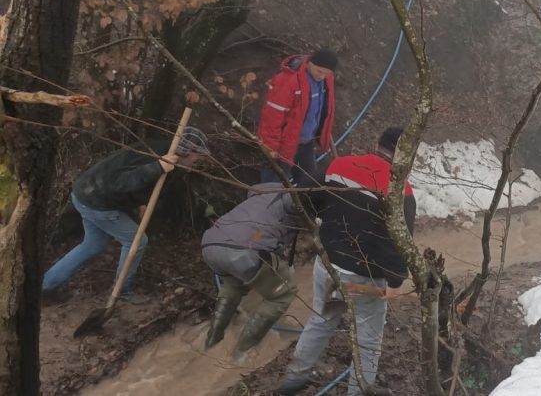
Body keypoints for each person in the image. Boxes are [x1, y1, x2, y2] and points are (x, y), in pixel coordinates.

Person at [276, 127, 416, 396]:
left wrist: (325, 219)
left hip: (328, 264)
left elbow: (304, 196)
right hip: (366, 277)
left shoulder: (339, 165)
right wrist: (396, 281)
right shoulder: (401, 190)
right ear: (406, 156)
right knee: (368, 342)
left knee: (321, 319)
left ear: (377, 143)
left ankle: (293, 381)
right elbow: (400, 243)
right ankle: (358, 392)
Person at [41, 128, 210, 304]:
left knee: (92, 244)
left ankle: (45, 286)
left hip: (85, 193)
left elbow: (140, 182)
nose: (198, 162)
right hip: (96, 200)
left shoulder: (162, 150)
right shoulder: (158, 157)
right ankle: (122, 292)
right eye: (198, 157)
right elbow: (120, 181)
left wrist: (141, 202)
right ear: (187, 151)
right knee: (136, 241)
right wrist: (157, 167)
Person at [201, 181, 301, 358]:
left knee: (233, 286)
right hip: (245, 250)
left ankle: (211, 341)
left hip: (210, 243)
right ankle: (241, 352)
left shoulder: (266, 189)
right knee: (282, 295)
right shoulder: (295, 200)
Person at [258, 49, 338, 184]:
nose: (322, 76)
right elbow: (273, 116)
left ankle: (298, 205)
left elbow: (324, 110)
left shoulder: (326, 80)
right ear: (310, 63)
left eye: (327, 73)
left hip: (306, 143)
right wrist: (271, 146)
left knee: (310, 184)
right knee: (271, 186)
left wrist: (323, 137)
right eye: (319, 71)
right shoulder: (288, 80)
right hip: (284, 145)